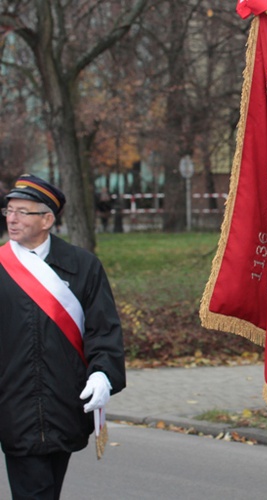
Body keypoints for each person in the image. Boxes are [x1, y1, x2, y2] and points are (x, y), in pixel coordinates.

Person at [0, 174, 126, 500]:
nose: (12, 218)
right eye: (9, 210)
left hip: (64, 406)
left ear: (47, 219)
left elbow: (103, 329)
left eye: (22, 212)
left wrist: (103, 373)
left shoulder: (82, 265)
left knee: (49, 490)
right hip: (14, 407)